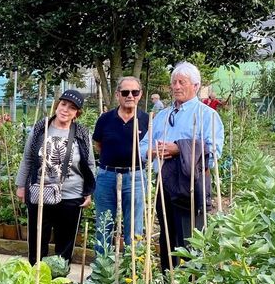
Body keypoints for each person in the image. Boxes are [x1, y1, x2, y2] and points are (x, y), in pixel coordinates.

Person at [139, 61, 224, 271]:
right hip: (164, 183)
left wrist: (179, 149)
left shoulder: (208, 115)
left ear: (195, 86)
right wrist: (152, 151)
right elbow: (142, 146)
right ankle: (169, 283)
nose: (176, 87)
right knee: (168, 236)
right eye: (174, 82)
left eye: (182, 82)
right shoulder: (162, 116)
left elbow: (213, 154)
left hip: (191, 185)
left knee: (191, 238)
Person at [15, 89, 95, 265]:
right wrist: (21, 186)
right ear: (57, 104)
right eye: (64, 104)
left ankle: (60, 280)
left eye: (72, 108)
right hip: (40, 192)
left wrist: (88, 191)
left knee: (65, 242)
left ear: (77, 113)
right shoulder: (40, 128)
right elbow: (27, 157)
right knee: (37, 239)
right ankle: (35, 277)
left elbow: (89, 163)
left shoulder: (81, 132)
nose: (66, 110)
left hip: (71, 195)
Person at [93, 77, 149, 254]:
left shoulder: (147, 120)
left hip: (135, 177)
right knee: (104, 225)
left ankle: (132, 272)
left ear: (140, 95)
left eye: (135, 92)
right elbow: (98, 144)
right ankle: (101, 272)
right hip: (107, 176)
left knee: (134, 227)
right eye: (125, 92)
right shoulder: (105, 119)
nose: (130, 96)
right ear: (118, 95)